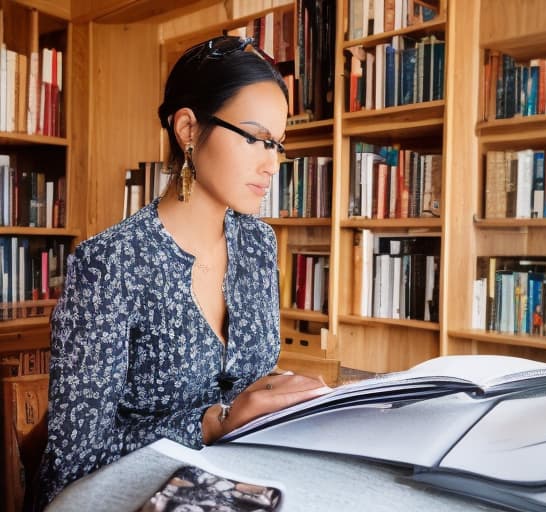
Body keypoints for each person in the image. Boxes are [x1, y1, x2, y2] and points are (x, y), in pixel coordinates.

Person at [34, 36, 331, 509]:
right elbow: (73, 461)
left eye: (277, 144)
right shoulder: (109, 264)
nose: (271, 163)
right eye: (254, 138)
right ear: (189, 128)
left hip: (242, 480)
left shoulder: (258, 243)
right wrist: (214, 422)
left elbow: (248, 380)